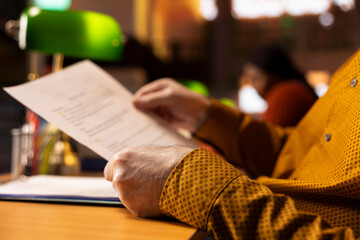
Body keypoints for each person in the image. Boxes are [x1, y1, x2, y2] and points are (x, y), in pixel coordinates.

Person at [104, 49, 360, 240]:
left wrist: (189, 181)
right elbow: (297, 155)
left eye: (255, 77)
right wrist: (208, 116)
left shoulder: (285, 94)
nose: (251, 85)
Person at [239, 45, 318, 126]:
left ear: (275, 75)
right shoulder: (296, 88)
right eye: (251, 79)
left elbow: (267, 137)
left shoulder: (287, 94)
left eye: (256, 78)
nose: (253, 86)